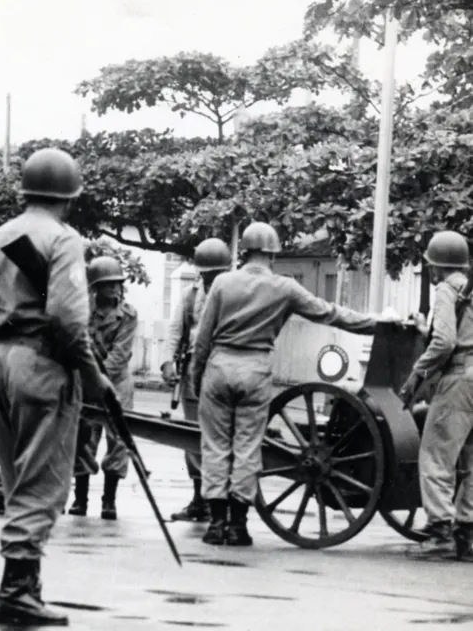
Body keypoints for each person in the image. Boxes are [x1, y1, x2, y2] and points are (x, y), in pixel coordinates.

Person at [0, 147, 114, 627]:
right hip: (43, 363)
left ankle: (21, 586)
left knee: (15, 477)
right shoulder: (64, 239)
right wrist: (92, 374)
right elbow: (68, 318)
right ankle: (16, 590)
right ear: (70, 197)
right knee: (45, 479)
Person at [192, 221, 395, 548]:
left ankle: (216, 524)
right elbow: (330, 313)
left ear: (244, 251)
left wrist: (195, 376)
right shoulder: (284, 288)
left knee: (216, 446)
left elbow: (202, 339)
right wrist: (379, 324)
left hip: (218, 366)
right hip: (255, 368)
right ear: (272, 253)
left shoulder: (222, 284)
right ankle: (238, 527)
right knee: (246, 447)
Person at [400, 231, 473, 560]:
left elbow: (444, 343)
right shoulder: (468, 290)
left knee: (435, 454)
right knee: (471, 460)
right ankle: (466, 532)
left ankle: (441, 533)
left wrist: (418, 373)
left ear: (435, 268)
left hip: (459, 379)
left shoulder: (446, 289)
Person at [161, 238, 231, 522]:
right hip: (192, 372)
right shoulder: (190, 296)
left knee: (221, 438)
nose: (211, 278)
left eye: (216, 274)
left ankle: (220, 503)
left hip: (220, 371)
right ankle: (199, 500)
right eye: (207, 273)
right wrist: (167, 361)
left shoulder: (231, 294)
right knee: (192, 437)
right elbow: (176, 330)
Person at [68, 256, 138, 520]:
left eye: (117, 284)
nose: (114, 289)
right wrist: (90, 378)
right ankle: (80, 498)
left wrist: (100, 378)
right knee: (83, 438)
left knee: (119, 442)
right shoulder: (82, 313)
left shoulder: (128, 315)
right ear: (95, 287)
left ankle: (109, 500)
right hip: (87, 382)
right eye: (108, 285)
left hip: (117, 383)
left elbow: (120, 354)